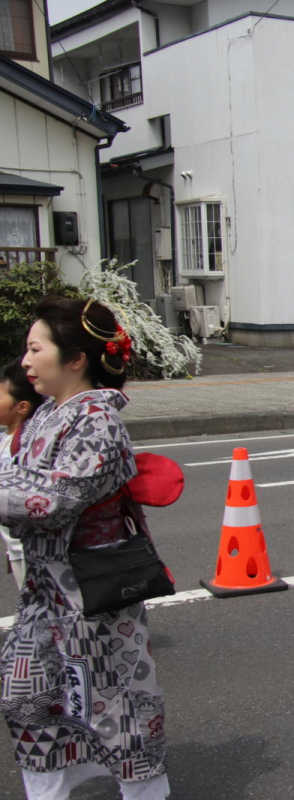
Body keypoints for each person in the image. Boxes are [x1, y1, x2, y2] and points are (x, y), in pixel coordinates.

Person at [0, 297, 170, 799]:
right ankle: (47, 790)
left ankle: (145, 792)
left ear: (76, 359)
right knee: (29, 695)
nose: (25, 360)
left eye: (35, 349)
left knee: (116, 705)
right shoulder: (50, 413)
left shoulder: (96, 420)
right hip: (45, 589)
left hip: (90, 592)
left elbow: (54, 500)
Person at [0, 358, 43, 588]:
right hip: (17, 547)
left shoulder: (23, 446)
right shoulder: (6, 440)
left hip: (28, 551)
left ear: (21, 407)